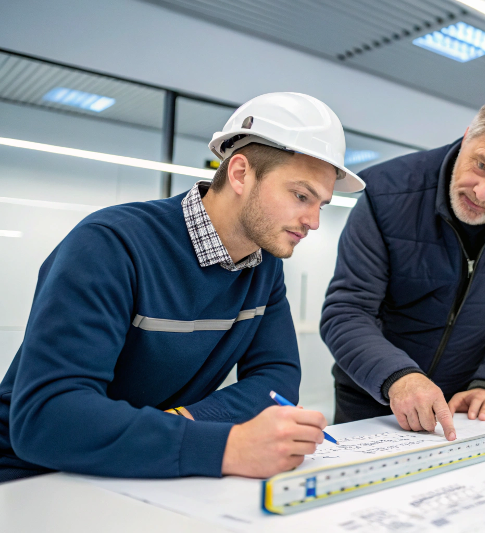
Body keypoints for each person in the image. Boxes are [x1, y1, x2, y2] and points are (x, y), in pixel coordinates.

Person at [0, 92, 364, 483]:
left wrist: (187, 422)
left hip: (148, 469)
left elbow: (276, 379)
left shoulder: (263, 266)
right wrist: (227, 446)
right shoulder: (110, 245)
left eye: (321, 204)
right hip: (37, 478)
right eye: (300, 195)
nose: (313, 221)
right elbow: (50, 418)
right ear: (240, 174)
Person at [321, 94, 485, 440]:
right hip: (374, 394)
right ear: (468, 136)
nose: (482, 192)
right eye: (481, 165)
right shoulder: (388, 192)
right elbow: (347, 311)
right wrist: (398, 377)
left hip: (465, 404)